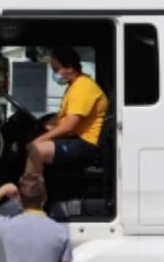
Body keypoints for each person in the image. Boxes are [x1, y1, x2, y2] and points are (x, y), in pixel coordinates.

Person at [24, 47, 108, 175]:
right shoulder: (73, 86)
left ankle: (32, 192)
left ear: (69, 68)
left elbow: (68, 127)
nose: (54, 74)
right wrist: (43, 128)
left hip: (86, 143)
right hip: (76, 138)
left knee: (37, 149)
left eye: (56, 69)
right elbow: (60, 117)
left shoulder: (83, 87)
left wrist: (38, 140)